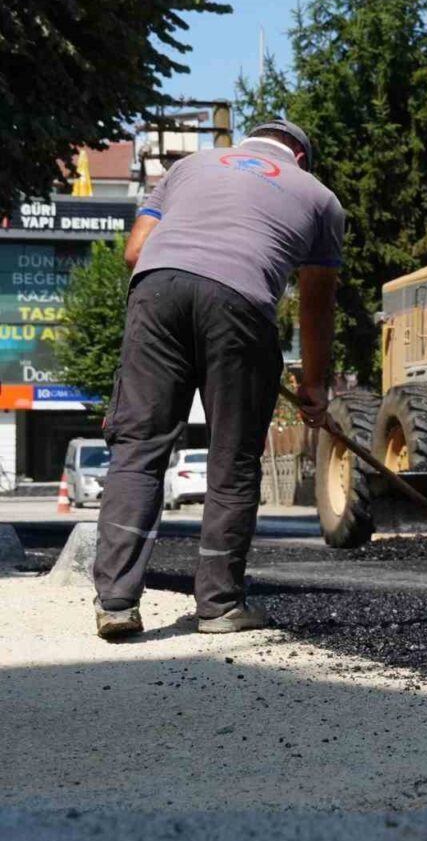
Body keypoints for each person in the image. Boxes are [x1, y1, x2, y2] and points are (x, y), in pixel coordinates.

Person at [92, 119, 342, 639]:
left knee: (138, 447)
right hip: (241, 303)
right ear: (299, 157)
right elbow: (317, 300)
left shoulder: (189, 166)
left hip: (156, 291)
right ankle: (219, 606)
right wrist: (315, 386)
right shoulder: (319, 197)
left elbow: (136, 250)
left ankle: (115, 601)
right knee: (233, 458)